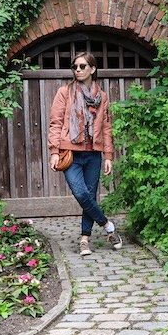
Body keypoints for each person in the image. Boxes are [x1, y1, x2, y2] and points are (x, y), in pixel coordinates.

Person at [47, 51, 122, 255]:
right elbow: (55, 123)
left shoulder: (102, 97)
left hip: (93, 154)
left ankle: (84, 240)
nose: (78, 70)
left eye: (82, 66)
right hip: (70, 152)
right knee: (80, 193)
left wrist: (108, 156)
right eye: (75, 67)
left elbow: (106, 127)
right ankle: (108, 226)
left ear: (92, 69)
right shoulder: (65, 92)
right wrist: (54, 151)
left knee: (90, 195)